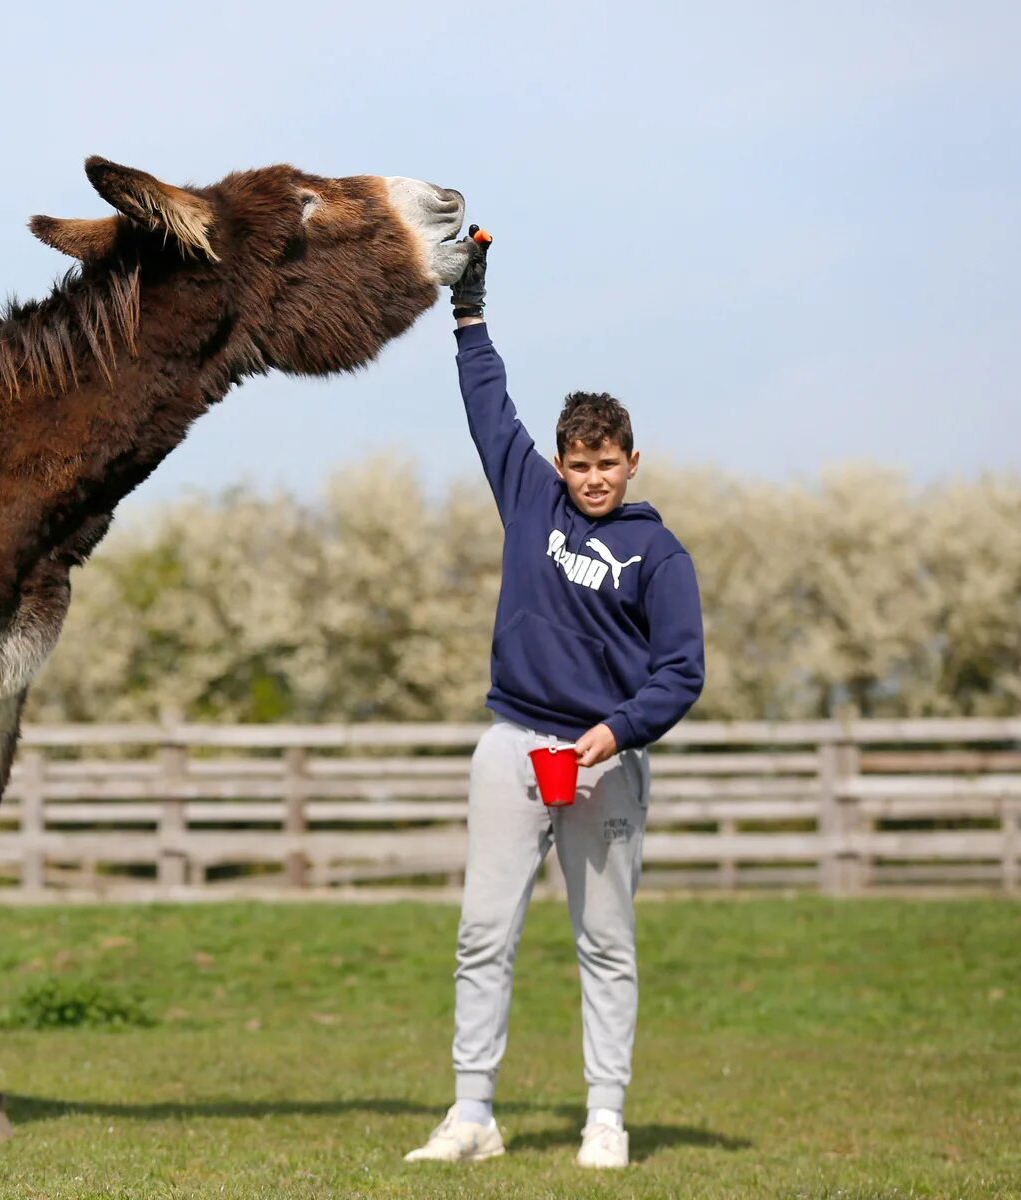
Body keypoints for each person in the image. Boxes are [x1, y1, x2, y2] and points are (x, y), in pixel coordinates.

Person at [404, 230, 706, 1170]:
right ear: (564, 462)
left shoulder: (661, 557)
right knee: (481, 935)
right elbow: (488, 408)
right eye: (579, 462)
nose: (592, 476)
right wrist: (469, 312)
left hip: (602, 762)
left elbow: (682, 672)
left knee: (604, 944)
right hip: (514, 750)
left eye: (607, 461)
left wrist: (616, 735)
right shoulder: (532, 500)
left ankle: (604, 1118)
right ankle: (472, 1116)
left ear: (632, 460)